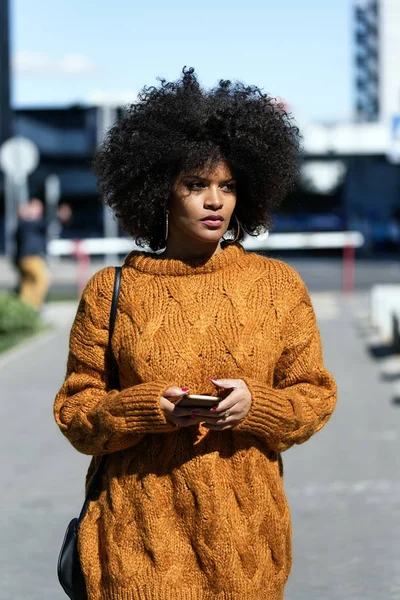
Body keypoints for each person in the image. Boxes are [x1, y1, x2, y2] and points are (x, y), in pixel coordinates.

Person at [54, 68, 337, 600]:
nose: (214, 201)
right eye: (196, 184)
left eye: (227, 186)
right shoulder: (111, 290)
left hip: (246, 550)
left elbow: (315, 397)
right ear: (160, 189)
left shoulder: (277, 286)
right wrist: (146, 411)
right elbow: (75, 415)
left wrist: (258, 406)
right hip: (133, 545)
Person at [14, 198, 50, 309]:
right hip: (31, 258)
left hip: (25, 258)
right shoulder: (26, 224)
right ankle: (35, 306)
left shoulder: (29, 224)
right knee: (43, 279)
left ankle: (23, 308)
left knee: (27, 285)